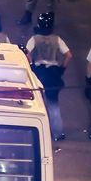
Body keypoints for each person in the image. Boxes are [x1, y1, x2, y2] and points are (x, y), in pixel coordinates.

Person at [25, 12, 71, 140]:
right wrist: (62, 68)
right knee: (53, 103)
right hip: (53, 73)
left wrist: (31, 65)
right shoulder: (57, 39)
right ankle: (58, 133)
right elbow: (69, 55)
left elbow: (26, 53)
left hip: (39, 72)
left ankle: (36, 130)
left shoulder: (34, 39)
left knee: (36, 102)